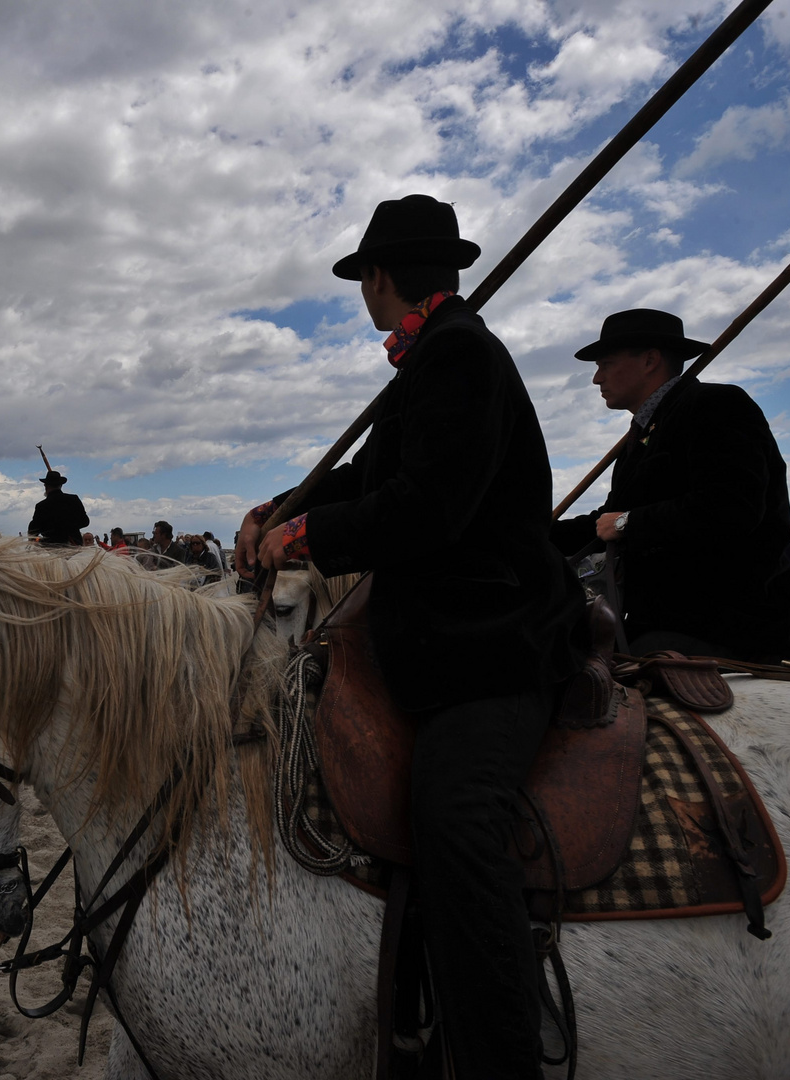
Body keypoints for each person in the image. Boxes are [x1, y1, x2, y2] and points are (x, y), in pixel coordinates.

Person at [235, 194, 586, 1077]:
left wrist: (305, 538)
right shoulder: (432, 359)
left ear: (377, 278)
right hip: (438, 637)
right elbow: (372, 473)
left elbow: (427, 508)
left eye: (361, 280)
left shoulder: (459, 356)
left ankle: (502, 1054)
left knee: (454, 815)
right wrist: (286, 504)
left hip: (493, 644)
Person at [549, 308, 790, 660]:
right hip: (663, 621)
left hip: (722, 624)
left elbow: (731, 507)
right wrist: (531, 533)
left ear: (650, 360)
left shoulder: (716, 404)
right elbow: (606, 521)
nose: (597, 378)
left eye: (606, 363)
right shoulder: (644, 432)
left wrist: (628, 523)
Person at [28, 469, 89, 547]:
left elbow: (33, 532)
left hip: (52, 548)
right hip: (75, 545)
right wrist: (70, 528)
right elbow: (85, 522)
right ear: (61, 485)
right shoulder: (74, 499)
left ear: (46, 486)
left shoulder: (42, 506)